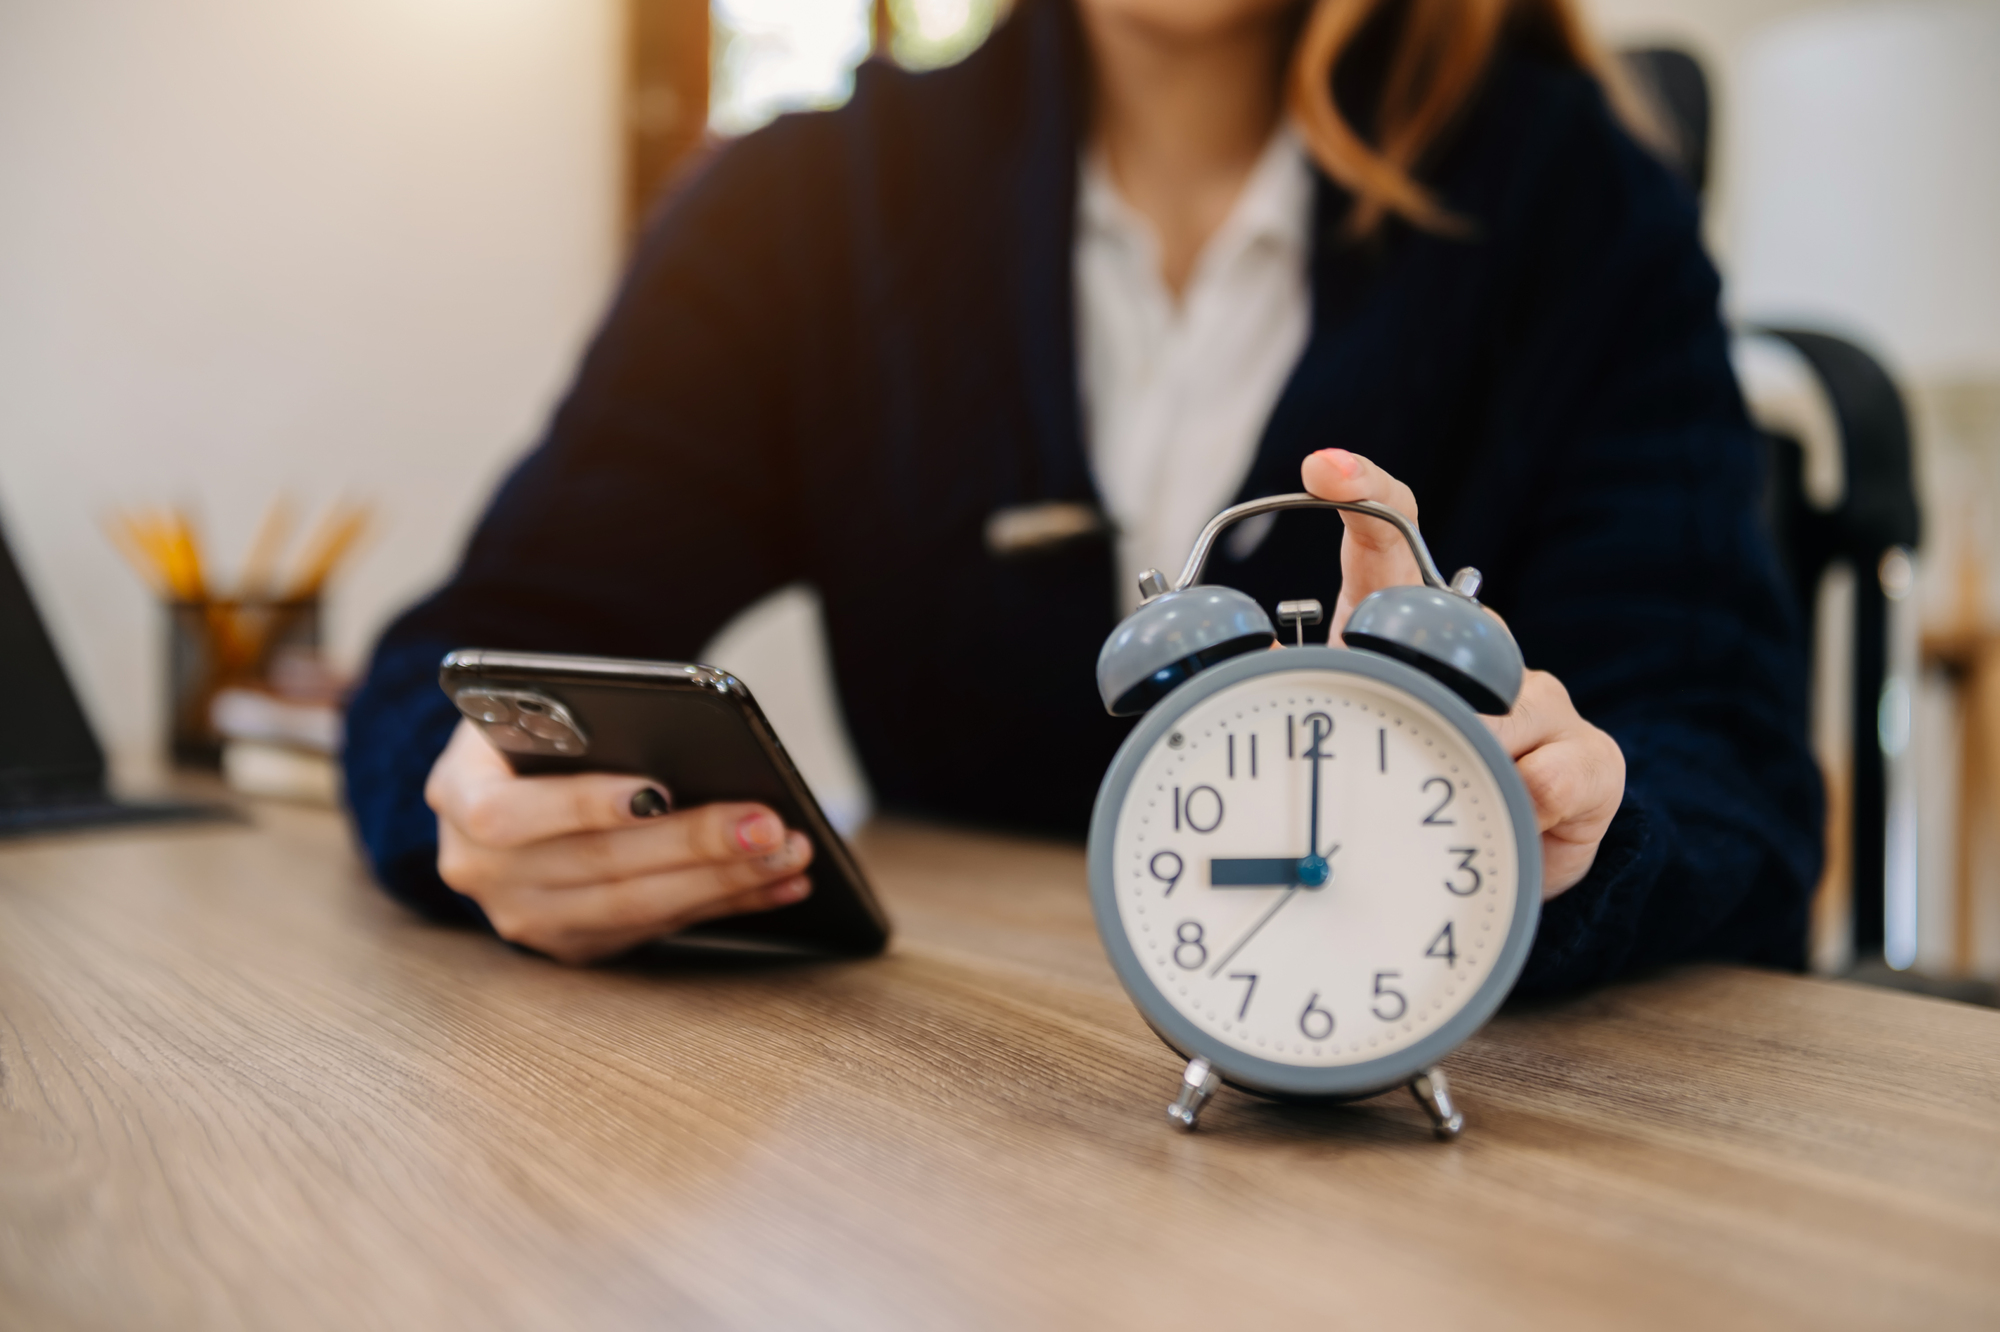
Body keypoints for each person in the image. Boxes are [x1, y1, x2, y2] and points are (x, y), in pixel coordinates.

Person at [343, 0, 1822, 988]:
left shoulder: (1584, 216)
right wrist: (468, 796)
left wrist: (1582, 845)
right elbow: (469, 644)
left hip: (1438, 1175)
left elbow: (1731, 780)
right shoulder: (806, 214)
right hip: (953, 1131)